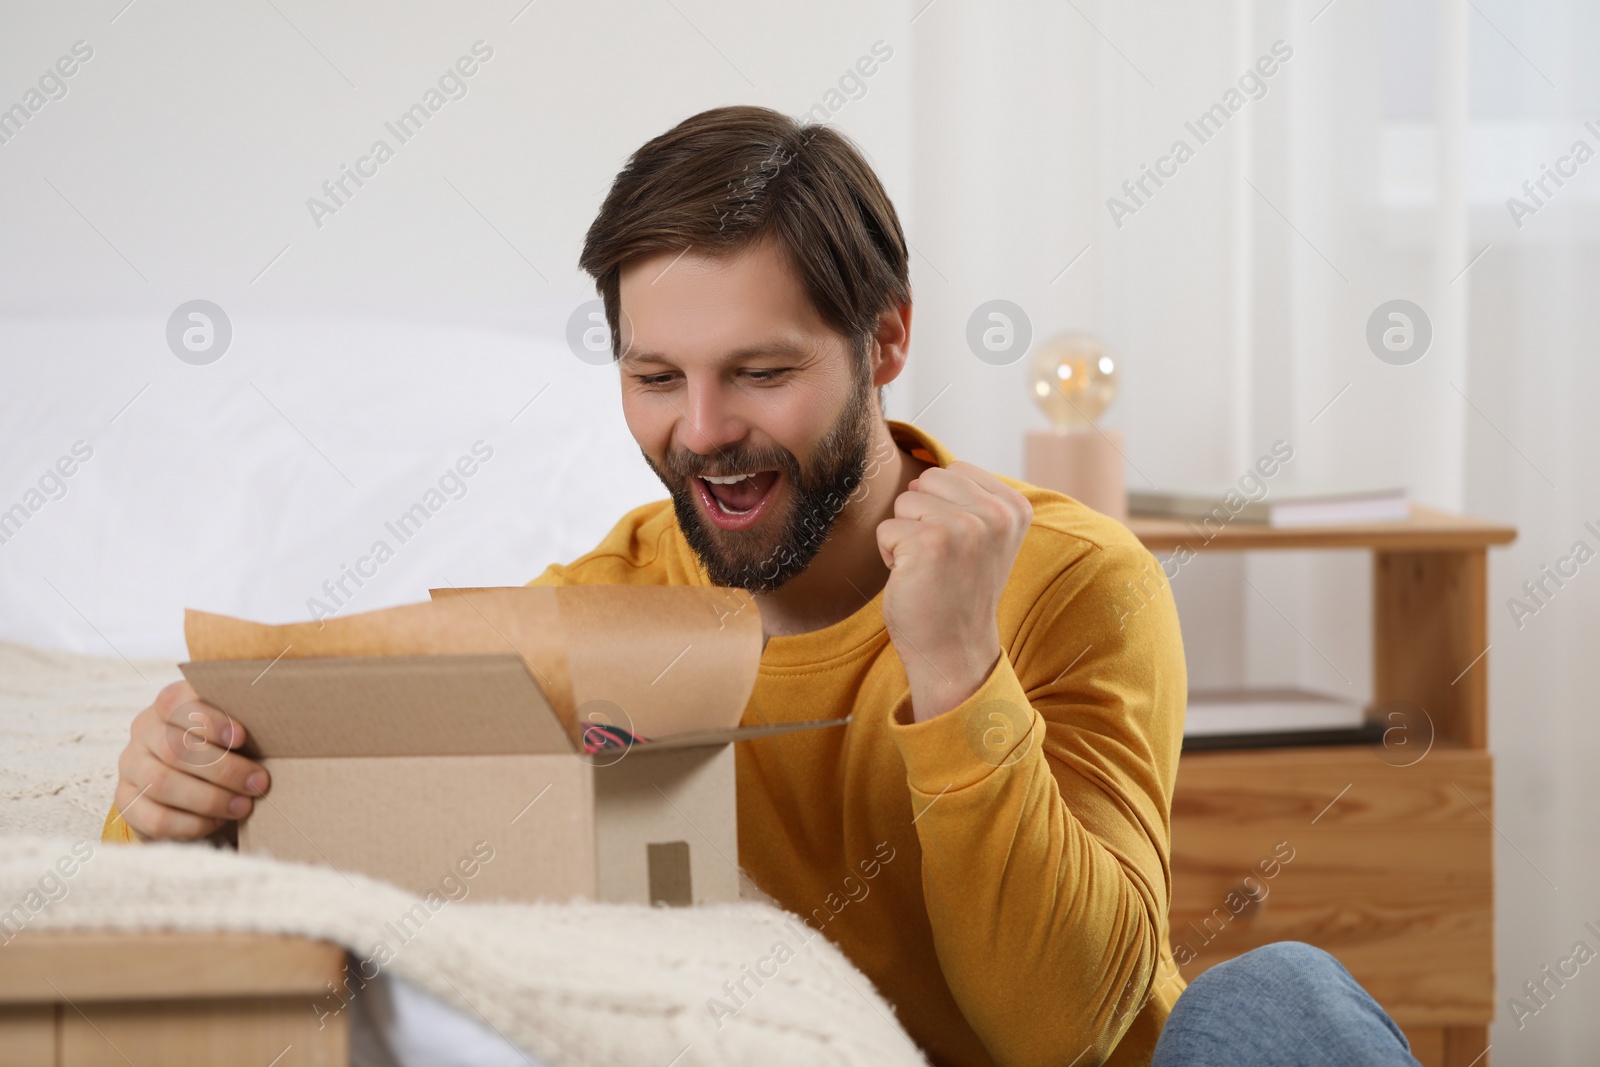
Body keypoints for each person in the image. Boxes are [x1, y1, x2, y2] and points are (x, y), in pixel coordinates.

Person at [102, 106, 1419, 1067]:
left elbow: (1058, 1034)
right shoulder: (601, 608)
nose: (704, 432)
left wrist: (956, 666)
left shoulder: (1077, 583)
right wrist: (167, 785)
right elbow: (326, 807)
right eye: (656, 379)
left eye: (761, 371)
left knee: (1276, 999)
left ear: (885, 338)